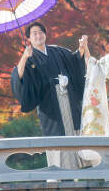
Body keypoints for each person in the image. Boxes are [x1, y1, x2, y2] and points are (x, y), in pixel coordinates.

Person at [11, 22, 87, 167]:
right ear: (28, 38)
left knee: (74, 132)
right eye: (34, 33)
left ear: (45, 34)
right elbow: (18, 77)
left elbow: (75, 61)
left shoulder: (57, 51)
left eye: (40, 32)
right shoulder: (29, 58)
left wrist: (82, 49)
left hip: (68, 101)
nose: (38, 35)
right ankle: (58, 175)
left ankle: (78, 169)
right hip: (50, 107)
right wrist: (24, 57)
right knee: (57, 139)